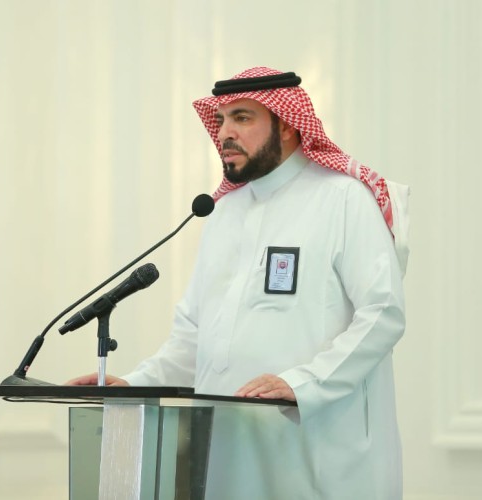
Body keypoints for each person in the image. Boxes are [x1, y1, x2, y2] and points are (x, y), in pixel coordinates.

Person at [69, 66, 407, 500]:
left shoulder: (343, 199)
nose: (225, 132)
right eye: (221, 119)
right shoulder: (223, 212)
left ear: (287, 125)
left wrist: (304, 383)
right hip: (227, 450)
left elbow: (383, 314)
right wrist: (136, 384)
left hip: (315, 450)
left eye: (242, 118)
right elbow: (195, 336)